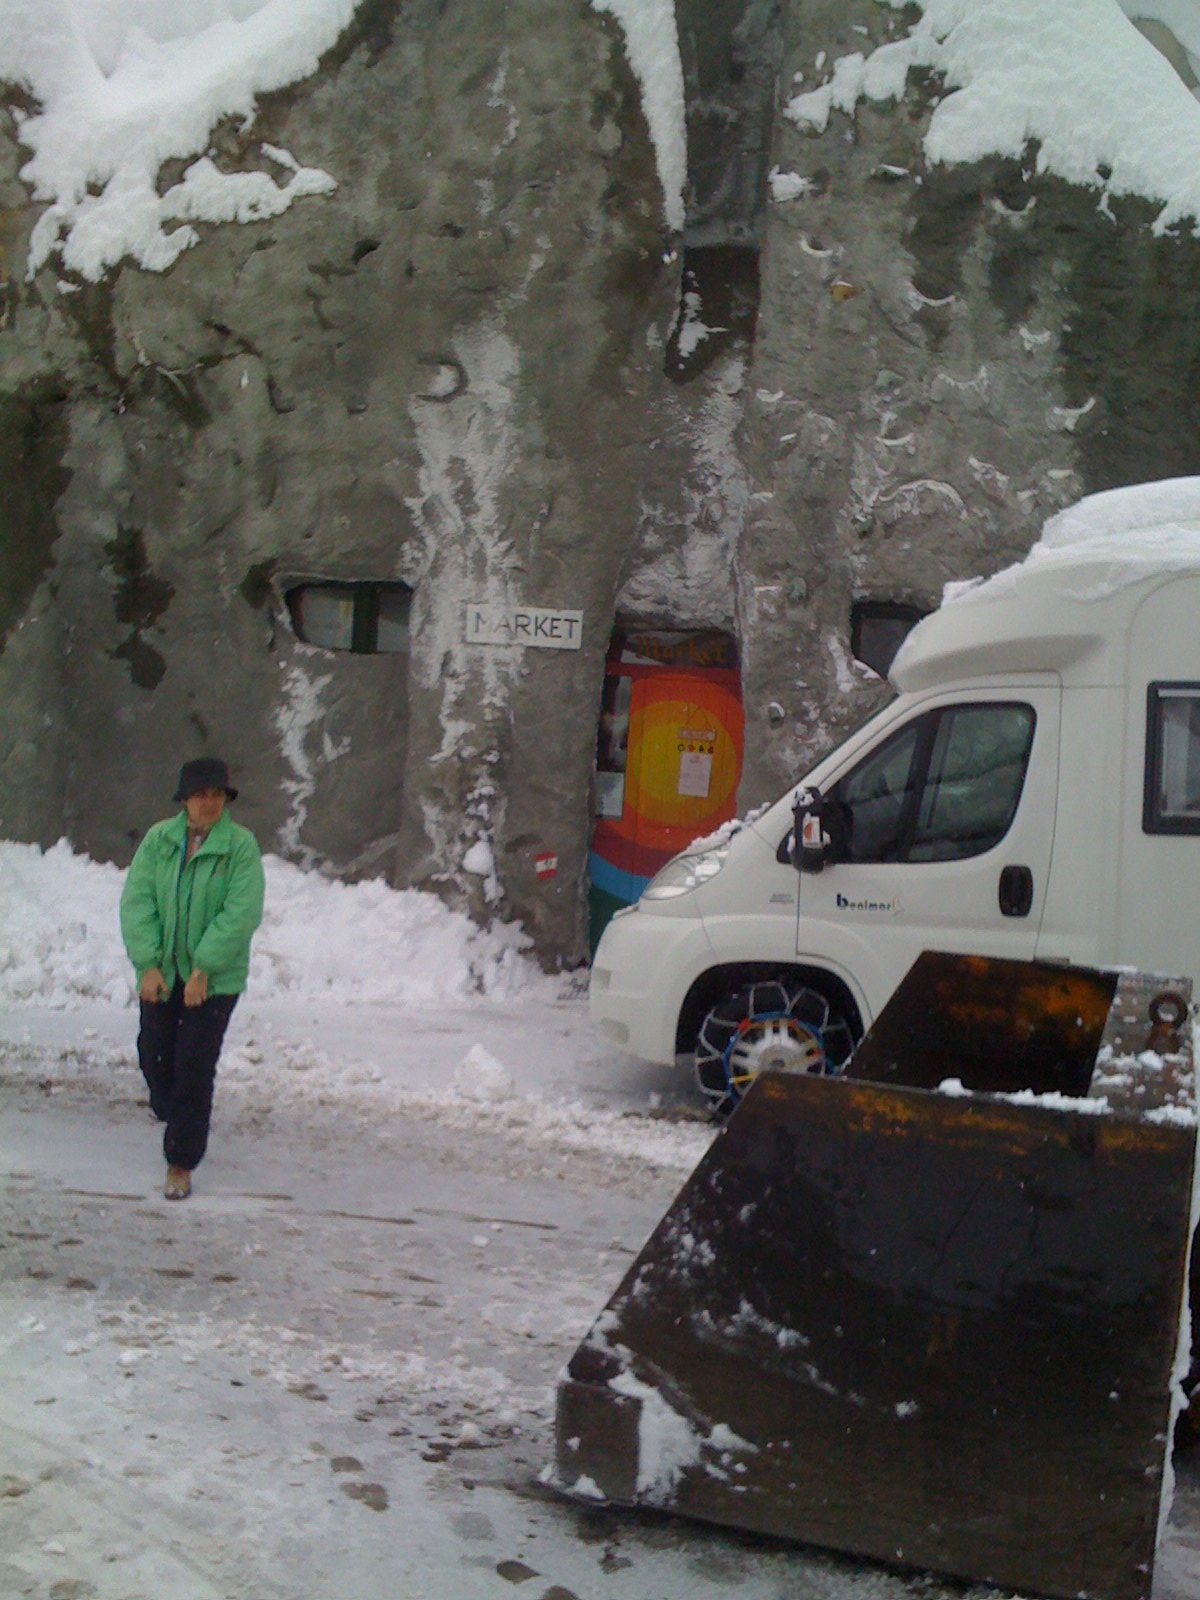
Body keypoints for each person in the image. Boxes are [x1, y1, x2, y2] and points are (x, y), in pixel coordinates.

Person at [119, 757, 265, 1200]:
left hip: (214, 978)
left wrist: (203, 969)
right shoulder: (159, 841)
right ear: (185, 800)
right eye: (201, 794)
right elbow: (138, 901)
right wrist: (147, 963)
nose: (210, 802)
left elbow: (241, 914)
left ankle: (180, 1161)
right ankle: (171, 1108)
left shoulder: (240, 847)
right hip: (163, 970)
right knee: (154, 1055)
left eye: (217, 795)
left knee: (194, 1066)